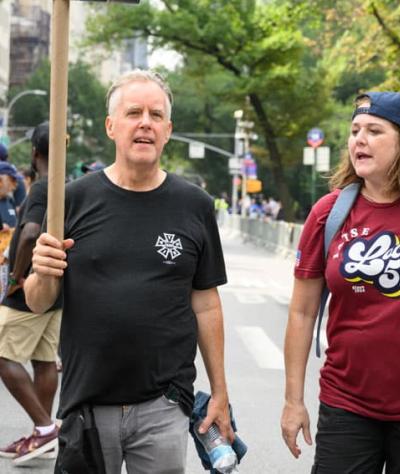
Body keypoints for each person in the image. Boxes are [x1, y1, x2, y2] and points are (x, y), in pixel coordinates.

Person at [24, 69, 233, 474]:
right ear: (111, 126)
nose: (145, 123)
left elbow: (206, 304)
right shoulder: (69, 200)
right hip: (86, 404)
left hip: (164, 404)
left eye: (156, 115)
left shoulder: (195, 205)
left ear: (168, 130)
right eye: (134, 112)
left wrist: (221, 391)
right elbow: (38, 302)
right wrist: (41, 271)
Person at [280, 91, 400, 473]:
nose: (359, 140)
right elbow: (302, 313)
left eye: (374, 130)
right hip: (347, 401)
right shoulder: (329, 213)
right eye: (354, 131)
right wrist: (293, 400)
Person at [0, 122, 62, 465]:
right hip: (57, 290)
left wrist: (17, 277)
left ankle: (44, 426)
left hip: (29, 289)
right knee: (42, 360)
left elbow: (29, 235)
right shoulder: (67, 187)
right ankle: (41, 433)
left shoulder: (41, 189)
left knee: (2, 356)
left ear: (34, 153)